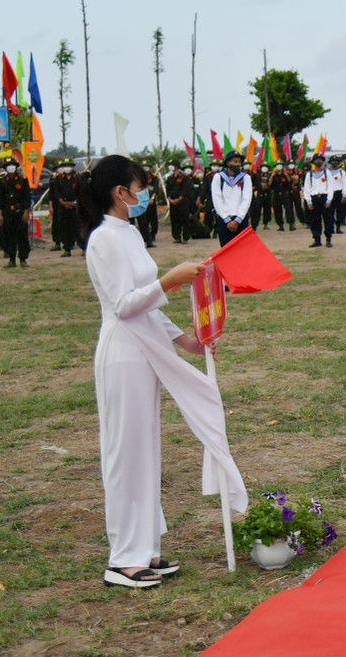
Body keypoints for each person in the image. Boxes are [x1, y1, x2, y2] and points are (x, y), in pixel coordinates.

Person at [77, 154, 247, 589]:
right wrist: (171, 280)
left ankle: (145, 547)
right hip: (123, 352)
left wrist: (185, 340)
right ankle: (123, 558)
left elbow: (146, 303)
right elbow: (124, 305)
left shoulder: (129, 232)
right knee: (125, 452)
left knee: (145, 450)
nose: (144, 194)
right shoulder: (103, 240)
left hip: (146, 347)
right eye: (140, 186)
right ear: (121, 192)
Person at [0, 157, 33, 268]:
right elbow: (0, 199)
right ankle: (11, 259)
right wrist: (0, 215)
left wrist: (26, 211)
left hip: (20, 212)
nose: (11, 168)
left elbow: (27, 197)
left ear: (16, 167)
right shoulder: (2, 182)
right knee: (9, 236)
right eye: (8, 166)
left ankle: (23, 259)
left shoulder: (23, 180)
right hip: (8, 212)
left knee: (22, 236)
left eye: (12, 165)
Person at [210, 153, 252, 247]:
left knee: (242, 249)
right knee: (226, 249)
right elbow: (217, 199)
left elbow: (246, 199)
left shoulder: (245, 178)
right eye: (235, 161)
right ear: (228, 163)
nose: (237, 164)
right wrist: (227, 219)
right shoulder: (218, 177)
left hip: (240, 219)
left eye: (239, 162)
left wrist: (237, 220)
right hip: (224, 218)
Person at [302, 153, 336, 248]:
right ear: (313, 162)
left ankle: (328, 238)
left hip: (324, 197)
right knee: (315, 220)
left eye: (320, 160)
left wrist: (329, 200)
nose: (319, 162)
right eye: (317, 160)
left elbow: (330, 187)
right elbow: (307, 188)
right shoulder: (309, 174)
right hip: (314, 198)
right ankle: (317, 239)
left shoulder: (327, 173)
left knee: (328, 219)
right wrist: (308, 201)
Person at [49, 160, 81, 257]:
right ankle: (67, 249)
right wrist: (63, 202)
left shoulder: (78, 178)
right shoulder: (58, 179)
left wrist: (75, 202)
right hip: (63, 207)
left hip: (75, 206)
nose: (67, 167)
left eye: (69, 165)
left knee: (78, 227)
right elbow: (56, 192)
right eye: (65, 166)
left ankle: (83, 247)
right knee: (65, 228)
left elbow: (81, 191)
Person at [165, 162, 194, 244]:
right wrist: (170, 199)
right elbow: (168, 189)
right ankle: (176, 237)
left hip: (183, 202)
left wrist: (180, 198)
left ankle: (185, 237)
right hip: (173, 202)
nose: (170, 167)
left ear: (176, 167)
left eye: (172, 165)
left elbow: (186, 189)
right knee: (174, 220)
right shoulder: (170, 178)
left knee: (184, 219)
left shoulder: (184, 177)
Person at [327, 156, 346, 234]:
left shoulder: (341, 172)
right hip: (330, 193)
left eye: (336, 161)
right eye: (333, 161)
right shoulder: (327, 172)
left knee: (340, 211)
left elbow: (344, 184)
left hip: (338, 192)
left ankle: (338, 226)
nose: (334, 163)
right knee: (330, 211)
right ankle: (331, 227)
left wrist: (344, 195)